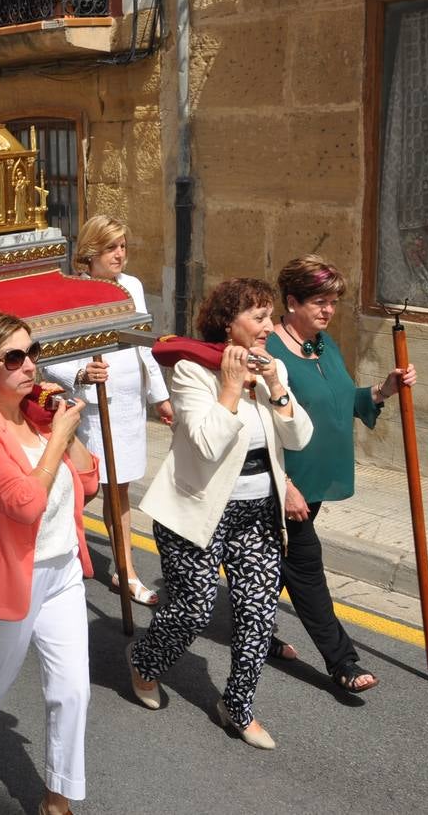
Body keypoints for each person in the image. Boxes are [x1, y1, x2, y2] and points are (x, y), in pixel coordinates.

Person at [127, 278, 313, 750]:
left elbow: (297, 439)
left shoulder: (272, 369)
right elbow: (207, 444)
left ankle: (238, 706)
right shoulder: (193, 371)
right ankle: (145, 662)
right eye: (258, 317)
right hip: (197, 511)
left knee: (258, 612)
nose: (269, 326)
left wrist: (275, 386)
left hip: (257, 514)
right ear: (228, 324)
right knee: (193, 608)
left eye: (270, 316)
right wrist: (230, 387)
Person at [0, 312, 98, 814]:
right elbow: (26, 504)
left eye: (33, 353)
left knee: (73, 689)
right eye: (14, 358)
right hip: (4, 578)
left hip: (62, 570)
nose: (30, 366)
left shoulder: (36, 415)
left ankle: (58, 796)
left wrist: (61, 428)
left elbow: (89, 482)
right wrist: (56, 439)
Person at [265, 256, 416, 694]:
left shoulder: (322, 346)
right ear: (291, 301)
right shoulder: (270, 354)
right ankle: (342, 661)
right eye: (318, 301)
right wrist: (285, 485)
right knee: (305, 569)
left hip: (312, 483)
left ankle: (254, 632)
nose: (328, 310)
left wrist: (383, 388)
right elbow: (260, 428)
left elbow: (342, 398)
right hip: (284, 486)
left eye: (332, 301)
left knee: (271, 567)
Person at [45, 215, 173, 606]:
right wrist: (81, 372)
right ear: (90, 253)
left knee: (120, 491)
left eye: (123, 246)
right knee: (81, 486)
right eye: (111, 247)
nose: (120, 254)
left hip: (128, 404)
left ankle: (125, 570)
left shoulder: (131, 285)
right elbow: (49, 355)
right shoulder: (70, 292)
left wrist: (159, 396)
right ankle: (42, 537)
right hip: (91, 406)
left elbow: (142, 343)